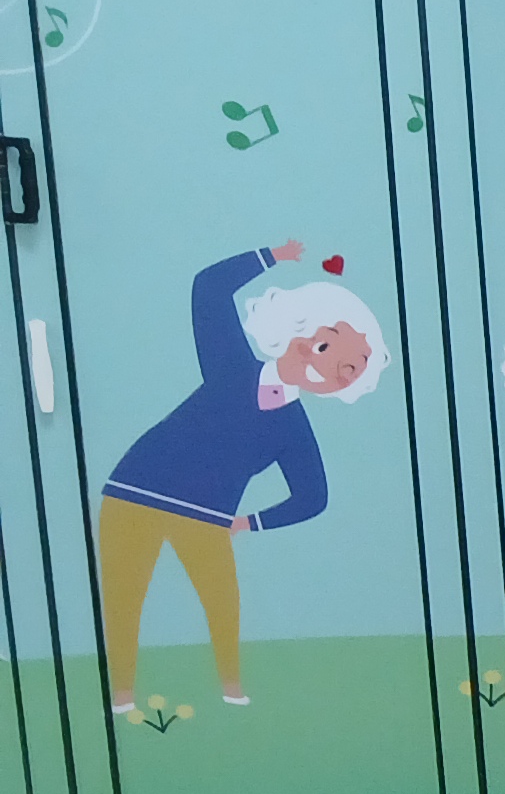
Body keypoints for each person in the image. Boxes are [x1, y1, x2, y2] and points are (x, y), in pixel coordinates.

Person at [96, 239, 388, 715]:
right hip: (135, 491)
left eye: (350, 370)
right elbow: (208, 288)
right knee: (124, 596)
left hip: (206, 515)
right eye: (329, 345)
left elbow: (313, 496)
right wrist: (273, 255)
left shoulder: (293, 427)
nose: (335, 367)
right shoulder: (231, 364)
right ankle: (123, 695)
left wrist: (250, 522)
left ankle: (231, 691)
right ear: (298, 332)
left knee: (222, 602)